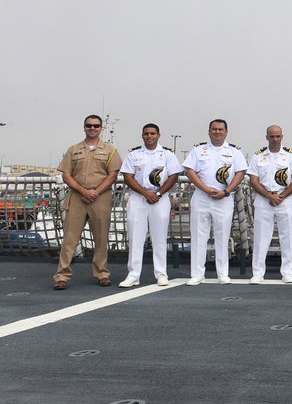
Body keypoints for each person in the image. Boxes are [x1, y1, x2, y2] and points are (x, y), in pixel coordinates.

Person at [53, 115, 123, 289]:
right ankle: (62, 276)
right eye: (89, 125)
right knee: (69, 238)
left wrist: (95, 192)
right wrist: (84, 191)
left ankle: (102, 273)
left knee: (101, 238)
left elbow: (113, 175)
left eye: (96, 126)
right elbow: (66, 175)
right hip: (77, 197)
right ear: (84, 128)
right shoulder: (73, 150)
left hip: (101, 197)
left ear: (101, 128)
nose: (92, 128)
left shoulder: (110, 150)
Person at [183, 119, 248, 285]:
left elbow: (240, 173)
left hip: (224, 198)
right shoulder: (199, 150)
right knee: (199, 235)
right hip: (202, 196)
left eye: (220, 129)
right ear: (209, 131)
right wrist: (205, 188)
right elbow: (189, 170)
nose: (217, 132)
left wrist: (227, 191)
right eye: (214, 129)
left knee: (223, 235)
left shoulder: (234, 152)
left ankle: (223, 273)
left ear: (226, 132)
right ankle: (197, 274)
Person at [118, 123, 182, 287]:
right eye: (146, 133)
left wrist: (158, 194)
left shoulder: (167, 154)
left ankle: (161, 274)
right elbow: (128, 176)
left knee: (159, 237)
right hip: (138, 198)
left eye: (153, 133)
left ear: (158, 135)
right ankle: (133, 275)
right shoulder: (134, 154)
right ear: (142, 136)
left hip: (160, 198)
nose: (149, 136)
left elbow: (173, 176)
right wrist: (145, 193)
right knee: (135, 237)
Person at [246, 125, 292, 284]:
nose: (275, 139)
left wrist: (281, 196)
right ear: (267, 137)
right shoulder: (258, 156)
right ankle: (257, 273)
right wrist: (269, 196)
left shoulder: (291, 156)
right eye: (272, 136)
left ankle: (287, 272)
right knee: (260, 238)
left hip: (285, 201)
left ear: (282, 137)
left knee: (288, 237)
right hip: (264, 201)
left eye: (278, 136)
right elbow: (253, 180)